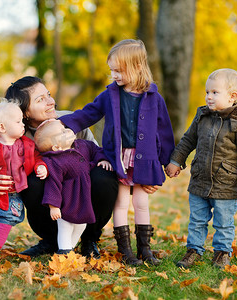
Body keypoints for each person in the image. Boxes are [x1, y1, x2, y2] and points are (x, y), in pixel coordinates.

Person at [59, 39, 175, 266]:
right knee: (121, 203)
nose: (115, 75)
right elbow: (88, 114)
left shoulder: (154, 97)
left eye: (119, 71)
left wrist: (169, 161)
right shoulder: (110, 95)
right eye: (112, 70)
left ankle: (145, 249)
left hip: (145, 159)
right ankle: (126, 252)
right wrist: (62, 122)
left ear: (138, 67)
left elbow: (164, 130)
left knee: (141, 203)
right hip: (120, 159)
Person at [0, 76, 119, 258]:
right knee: (33, 181)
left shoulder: (71, 121)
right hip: (49, 196)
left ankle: (89, 239)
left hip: (80, 186)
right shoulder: (15, 135)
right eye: (40, 99)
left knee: (104, 175)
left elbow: (95, 152)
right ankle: (51, 240)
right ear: (25, 112)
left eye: (49, 95)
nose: (51, 101)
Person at [165, 68, 237, 269]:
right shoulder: (202, 116)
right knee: (197, 219)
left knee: (223, 222)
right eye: (207, 92)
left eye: (214, 93)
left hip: (226, 183)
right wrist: (175, 161)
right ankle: (194, 250)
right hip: (200, 179)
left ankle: (222, 252)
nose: (208, 96)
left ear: (232, 96)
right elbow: (188, 140)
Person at [0, 99, 48, 266]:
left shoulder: (27, 145)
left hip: (12, 196)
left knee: (4, 223)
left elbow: (37, 157)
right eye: (18, 121)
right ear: (2, 128)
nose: (22, 124)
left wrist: (41, 166)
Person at [34, 119, 113, 254]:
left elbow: (96, 150)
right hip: (67, 202)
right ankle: (64, 251)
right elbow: (53, 183)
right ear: (56, 147)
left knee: (81, 225)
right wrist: (54, 206)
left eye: (65, 127)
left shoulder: (82, 145)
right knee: (65, 228)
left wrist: (102, 159)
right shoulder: (56, 161)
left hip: (83, 200)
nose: (69, 130)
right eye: (63, 132)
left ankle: (69, 249)